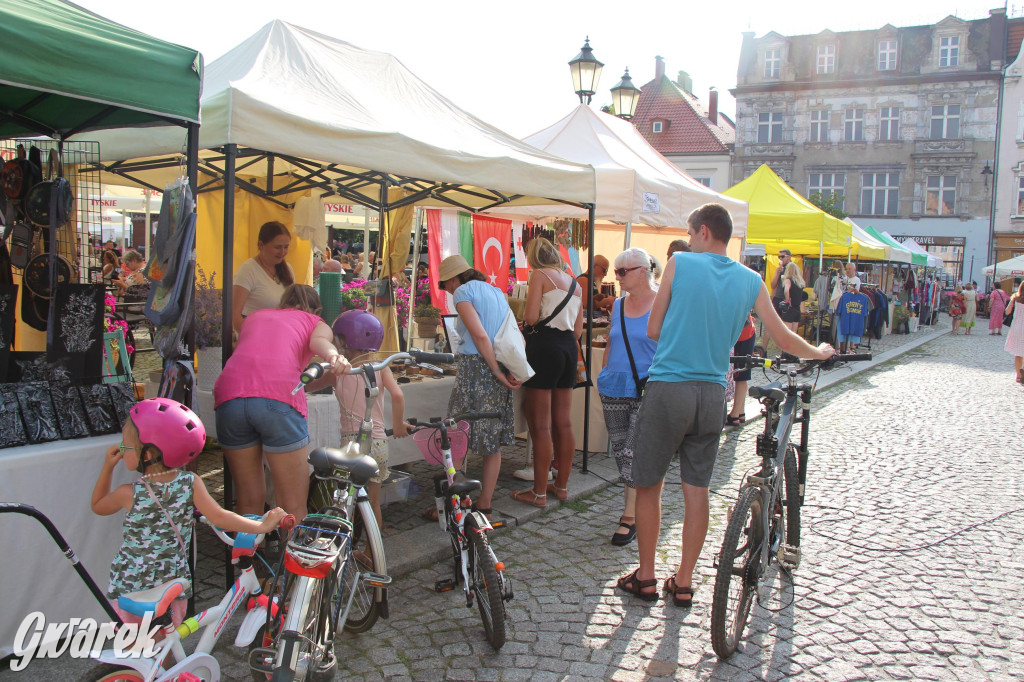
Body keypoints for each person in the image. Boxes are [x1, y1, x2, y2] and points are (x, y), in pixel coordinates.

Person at [615, 203, 833, 606]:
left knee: (648, 485)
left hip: (669, 387)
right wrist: (819, 352)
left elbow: (654, 328)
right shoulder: (751, 280)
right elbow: (783, 338)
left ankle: (646, 576)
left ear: (701, 232)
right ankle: (683, 582)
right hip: (713, 393)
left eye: (690, 229)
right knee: (696, 489)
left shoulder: (680, 262)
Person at [91, 398, 287, 627]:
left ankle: (136, 663)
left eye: (126, 447)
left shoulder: (129, 493)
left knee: (135, 639)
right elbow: (220, 517)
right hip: (171, 580)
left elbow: (98, 505)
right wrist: (262, 526)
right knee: (168, 636)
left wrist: (107, 466)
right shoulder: (189, 483)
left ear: (147, 455)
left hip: (133, 581)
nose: (121, 451)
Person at [214, 284, 350, 521]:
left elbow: (261, 362)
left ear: (281, 304)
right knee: (292, 505)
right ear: (317, 310)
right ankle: (290, 556)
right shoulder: (315, 323)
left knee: (248, 500)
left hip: (229, 396)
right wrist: (333, 356)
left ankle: (246, 557)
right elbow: (319, 343)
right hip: (277, 399)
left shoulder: (254, 318)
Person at [306, 310, 410, 530]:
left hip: (352, 444)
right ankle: (372, 552)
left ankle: (344, 544)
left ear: (343, 341)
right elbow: (398, 395)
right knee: (373, 503)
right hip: (380, 443)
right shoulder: (381, 368)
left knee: (345, 502)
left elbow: (309, 387)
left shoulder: (339, 371)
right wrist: (399, 424)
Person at [438, 255, 519, 518]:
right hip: (500, 362)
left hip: (477, 367)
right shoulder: (496, 291)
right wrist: (507, 369)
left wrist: (494, 370)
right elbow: (513, 333)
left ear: (453, 278)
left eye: (444, 284)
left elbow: (479, 334)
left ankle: (457, 505)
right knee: (491, 439)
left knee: (457, 432)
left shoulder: (462, 292)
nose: (447, 290)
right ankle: (485, 503)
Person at [511, 238, 584, 509]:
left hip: (544, 347)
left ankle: (539, 493)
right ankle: (561, 486)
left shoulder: (539, 275)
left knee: (540, 425)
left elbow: (530, 318)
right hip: (568, 348)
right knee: (563, 423)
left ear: (533, 259)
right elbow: (577, 331)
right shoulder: (576, 284)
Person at [597, 247, 660, 544]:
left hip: (648, 388)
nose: (617, 277)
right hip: (614, 386)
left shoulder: (663, 303)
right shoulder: (619, 305)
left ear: (642, 271)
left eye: (623, 272)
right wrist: (605, 371)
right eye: (616, 272)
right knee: (622, 451)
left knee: (633, 453)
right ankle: (634, 509)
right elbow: (612, 339)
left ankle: (630, 517)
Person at [232, 221, 295, 334]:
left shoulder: (288, 269)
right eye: (277, 247)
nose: (283, 252)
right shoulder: (247, 270)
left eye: (286, 247)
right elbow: (234, 315)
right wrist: (252, 336)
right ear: (261, 245)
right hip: (256, 336)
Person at [726, 312, 757, 426]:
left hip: (743, 336)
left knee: (740, 375)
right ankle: (740, 412)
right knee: (741, 374)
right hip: (744, 333)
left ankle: (734, 415)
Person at [1004, 281, 1024, 382]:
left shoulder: (1015, 298)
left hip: (1016, 328)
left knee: (1018, 353)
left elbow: (1007, 312)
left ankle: (1019, 375)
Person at [779, 260, 807, 332]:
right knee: (794, 333)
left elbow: (786, 290)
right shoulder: (800, 282)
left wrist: (788, 300)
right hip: (797, 308)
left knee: (787, 332)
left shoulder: (788, 280)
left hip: (790, 308)